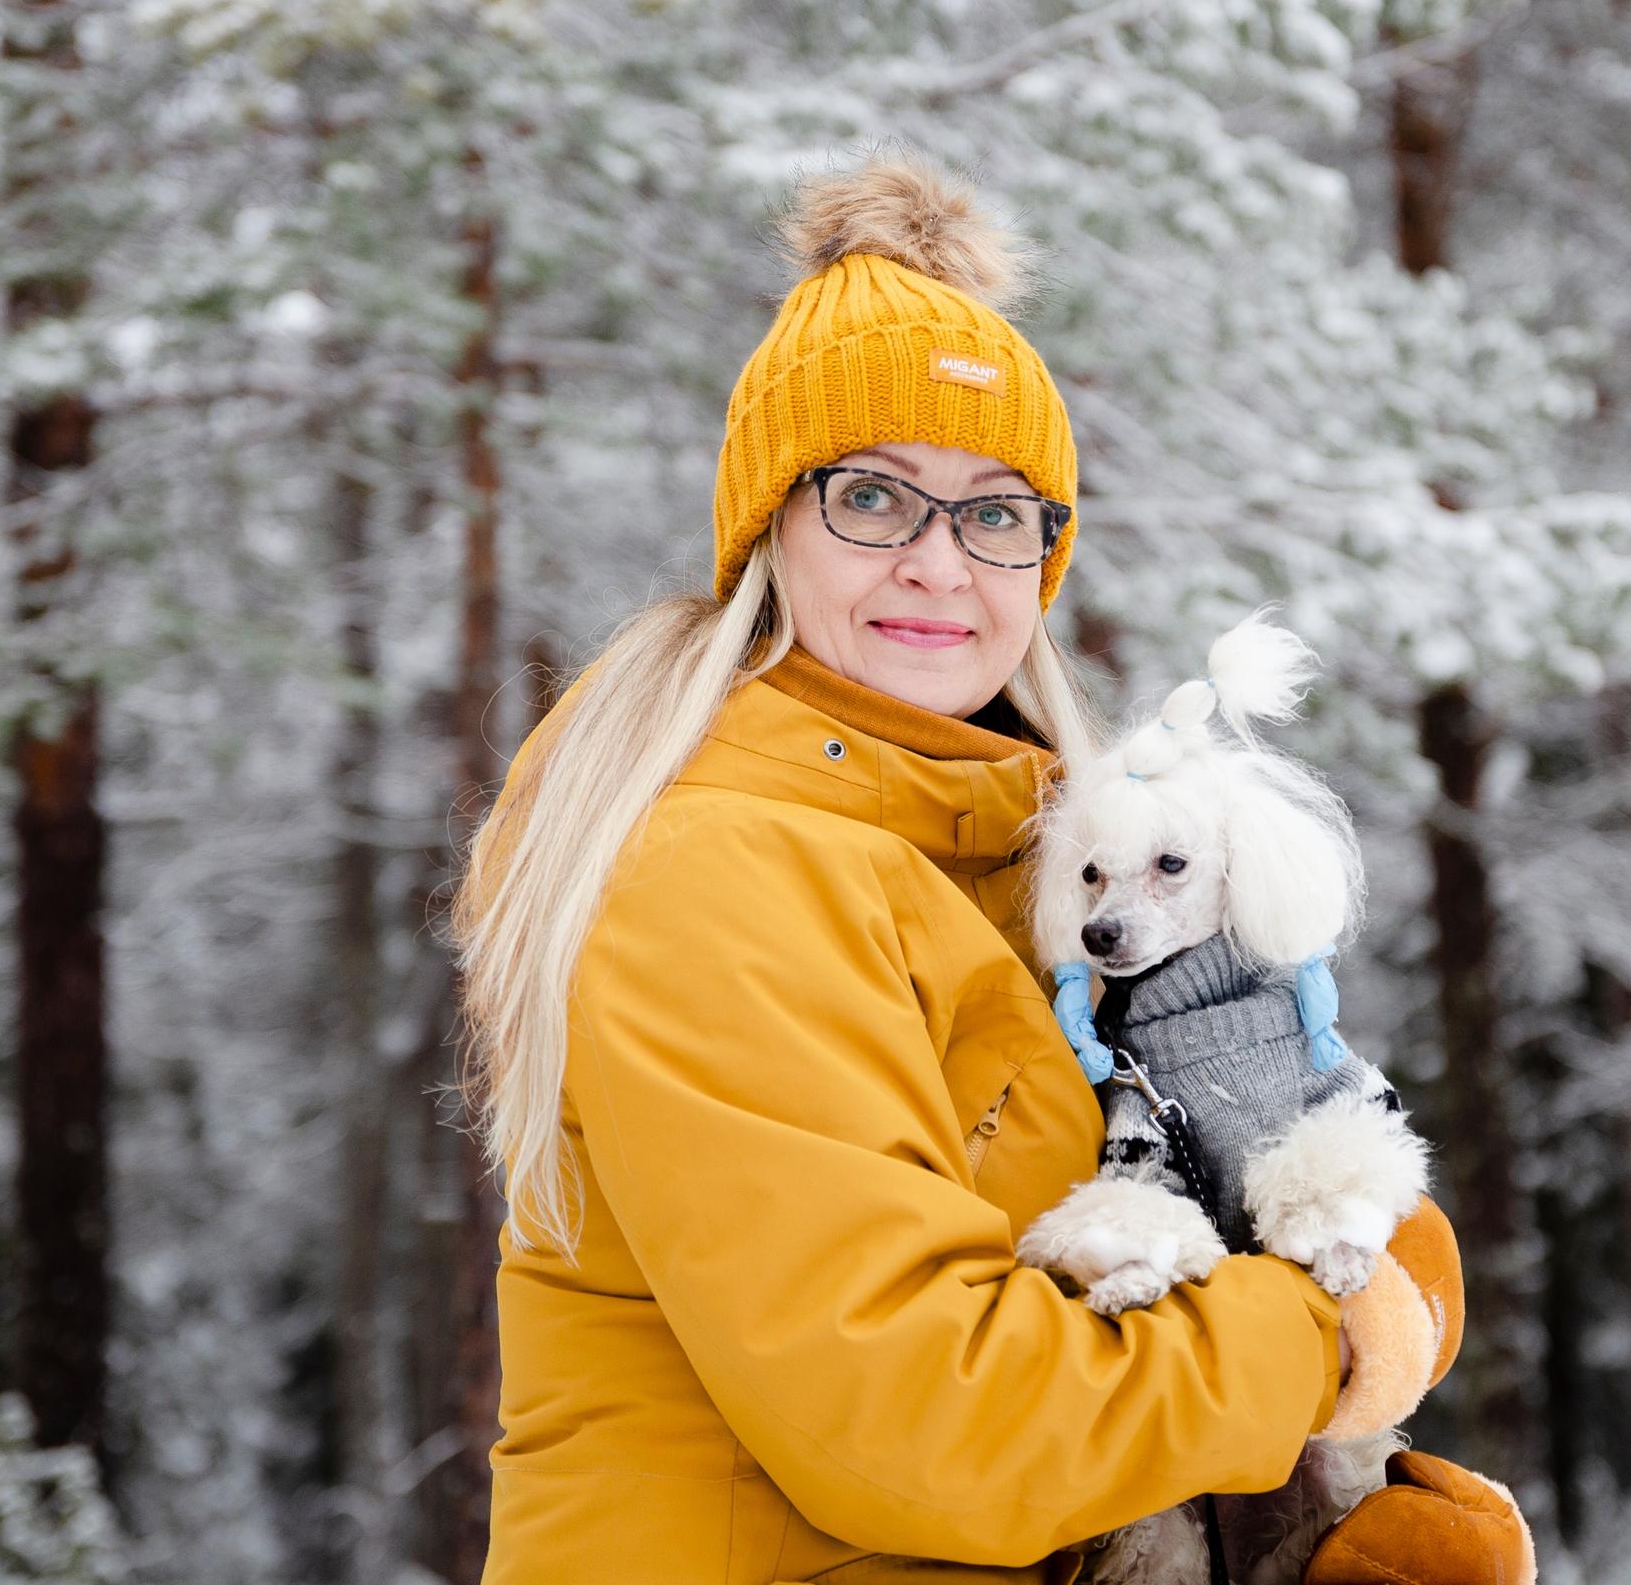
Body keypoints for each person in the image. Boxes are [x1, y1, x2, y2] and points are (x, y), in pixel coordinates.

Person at [451, 148, 1489, 1585]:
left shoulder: (1036, 863)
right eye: (873, 498)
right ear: (769, 529)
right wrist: (1338, 1334)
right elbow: (934, 1424)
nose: (943, 563)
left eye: (999, 512)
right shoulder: (714, 871)